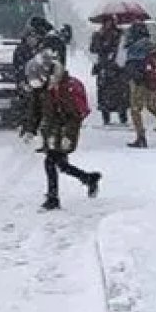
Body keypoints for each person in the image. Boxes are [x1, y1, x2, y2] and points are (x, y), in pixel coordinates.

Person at [20, 52, 101, 211]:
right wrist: (30, 129)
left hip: (66, 129)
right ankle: (88, 178)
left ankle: (53, 198)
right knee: (61, 164)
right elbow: (35, 110)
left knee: (51, 161)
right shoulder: (42, 88)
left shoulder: (66, 88)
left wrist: (67, 135)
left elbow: (75, 115)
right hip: (51, 128)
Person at [122, 22, 156, 148]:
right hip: (153, 81)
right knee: (152, 107)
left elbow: (131, 67)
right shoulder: (152, 46)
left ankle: (141, 137)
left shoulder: (134, 48)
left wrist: (130, 75)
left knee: (135, 110)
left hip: (139, 82)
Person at [90, 17, 128, 126]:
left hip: (117, 68)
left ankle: (122, 117)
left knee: (120, 93)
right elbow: (93, 49)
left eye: (111, 21)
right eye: (107, 22)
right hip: (103, 67)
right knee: (103, 93)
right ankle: (106, 117)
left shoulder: (120, 34)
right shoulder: (98, 35)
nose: (109, 24)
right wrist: (102, 45)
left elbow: (123, 48)